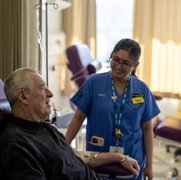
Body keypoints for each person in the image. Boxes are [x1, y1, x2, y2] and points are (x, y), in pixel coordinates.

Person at [0, 67, 140, 180]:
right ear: (23, 96)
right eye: (42, 88)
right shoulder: (16, 143)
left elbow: (78, 156)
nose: (50, 93)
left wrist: (120, 157)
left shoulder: (45, 127)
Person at [65, 38, 160, 180]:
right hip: (99, 158)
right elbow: (78, 117)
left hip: (133, 160)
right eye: (116, 59)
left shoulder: (142, 89)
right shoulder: (93, 82)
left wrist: (150, 166)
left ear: (135, 65)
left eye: (126, 63)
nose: (119, 66)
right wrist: (63, 148)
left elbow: (147, 128)